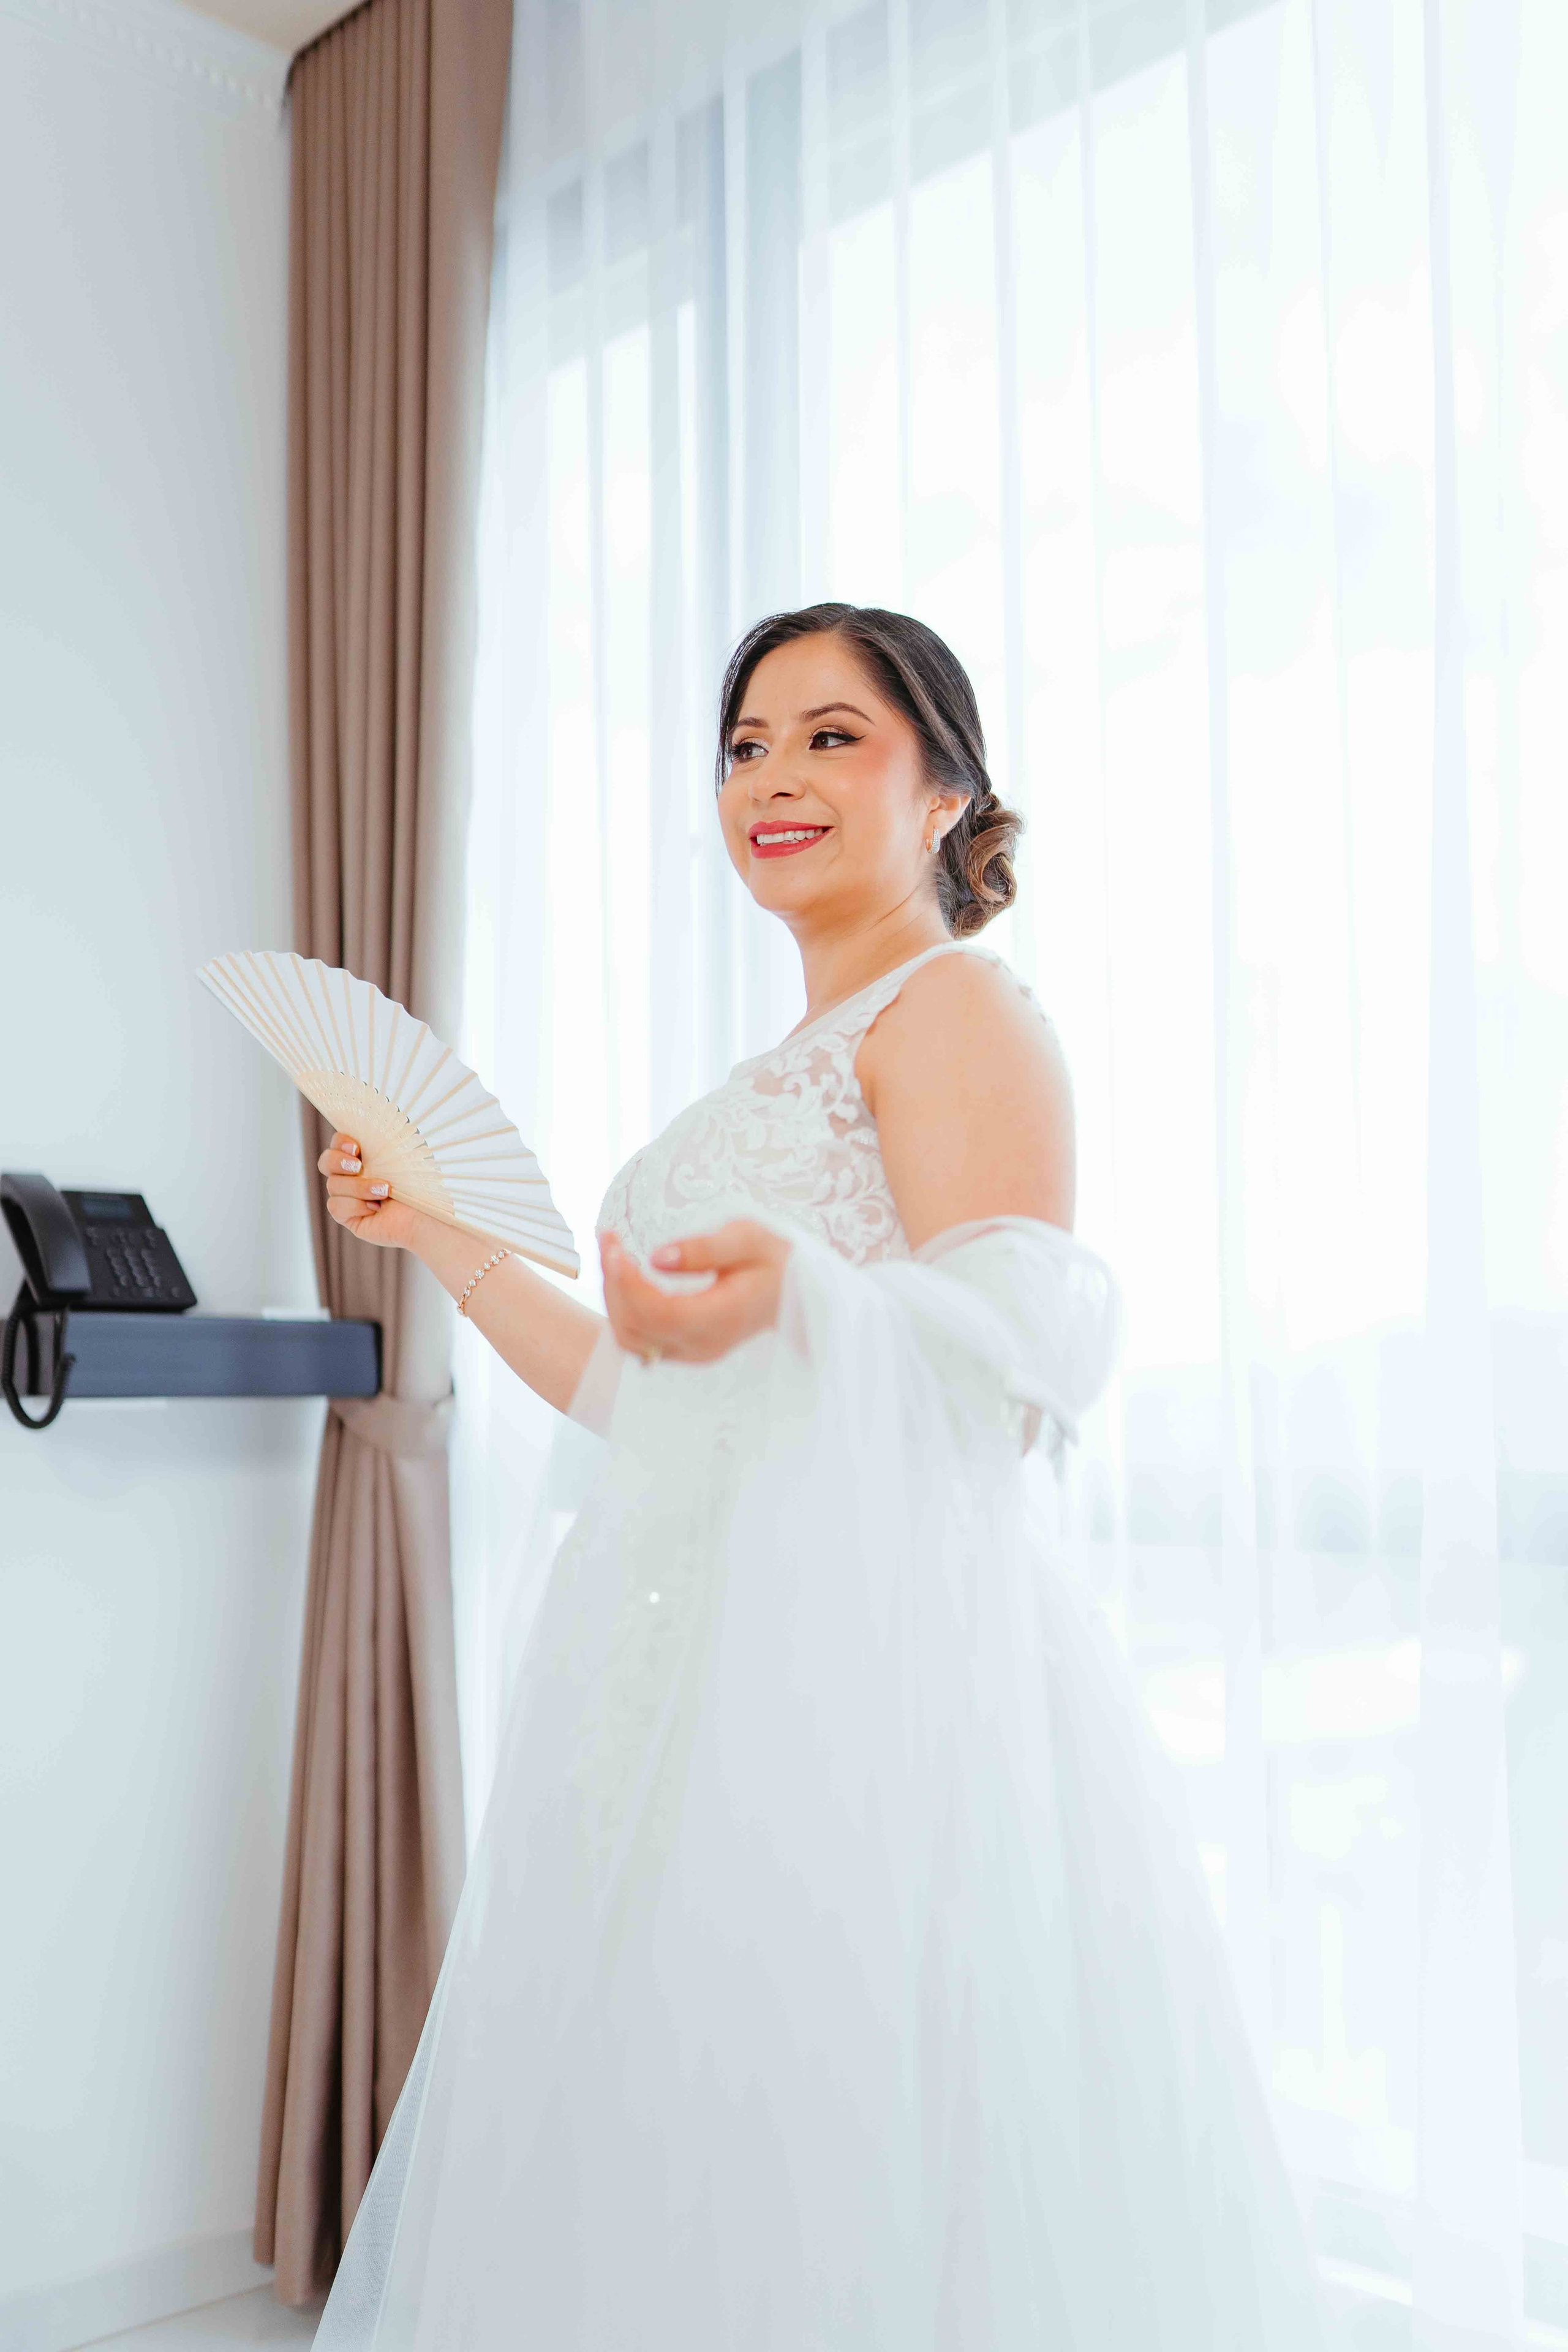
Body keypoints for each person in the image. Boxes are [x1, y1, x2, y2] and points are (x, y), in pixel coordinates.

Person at [310, 603, 1340, 2347]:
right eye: (746, 746)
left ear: (947, 793)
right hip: (676, 1678)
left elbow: (1016, 1360)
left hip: (863, 1688)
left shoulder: (959, 1010)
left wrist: (808, 1303)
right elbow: (637, 1395)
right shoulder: (773, 1071)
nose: (773, 777)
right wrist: (435, 1232)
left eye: (831, 736)